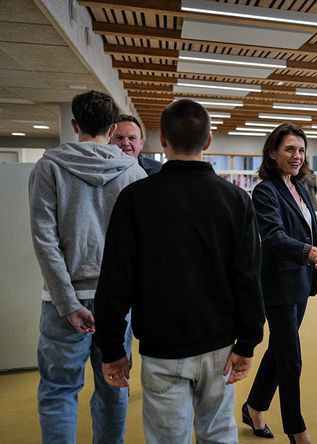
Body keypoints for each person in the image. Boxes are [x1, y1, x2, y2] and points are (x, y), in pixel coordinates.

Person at [94, 99, 265, 443]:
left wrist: (111, 349)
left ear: (162, 141)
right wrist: (248, 342)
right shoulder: (235, 199)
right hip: (219, 345)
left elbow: (115, 279)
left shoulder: (135, 198)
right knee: (219, 433)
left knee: (168, 437)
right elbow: (248, 276)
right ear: (208, 141)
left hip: (162, 346)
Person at [28, 90, 146, 443]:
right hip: (117, 301)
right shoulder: (134, 172)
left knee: (58, 389)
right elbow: (141, 246)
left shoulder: (48, 167)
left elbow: (45, 241)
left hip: (63, 301)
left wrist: (67, 303)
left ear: (74, 124)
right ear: (112, 129)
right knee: (114, 384)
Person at [243, 123, 317, 444]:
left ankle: (253, 406)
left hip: (301, 282)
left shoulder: (299, 185)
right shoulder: (265, 191)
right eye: (289, 149)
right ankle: (296, 430)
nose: (297, 156)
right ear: (272, 153)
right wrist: (311, 253)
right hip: (279, 286)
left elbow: (304, 229)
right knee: (291, 358)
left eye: (301, 150)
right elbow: (273, 236)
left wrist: (311, 257)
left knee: (280, 349)